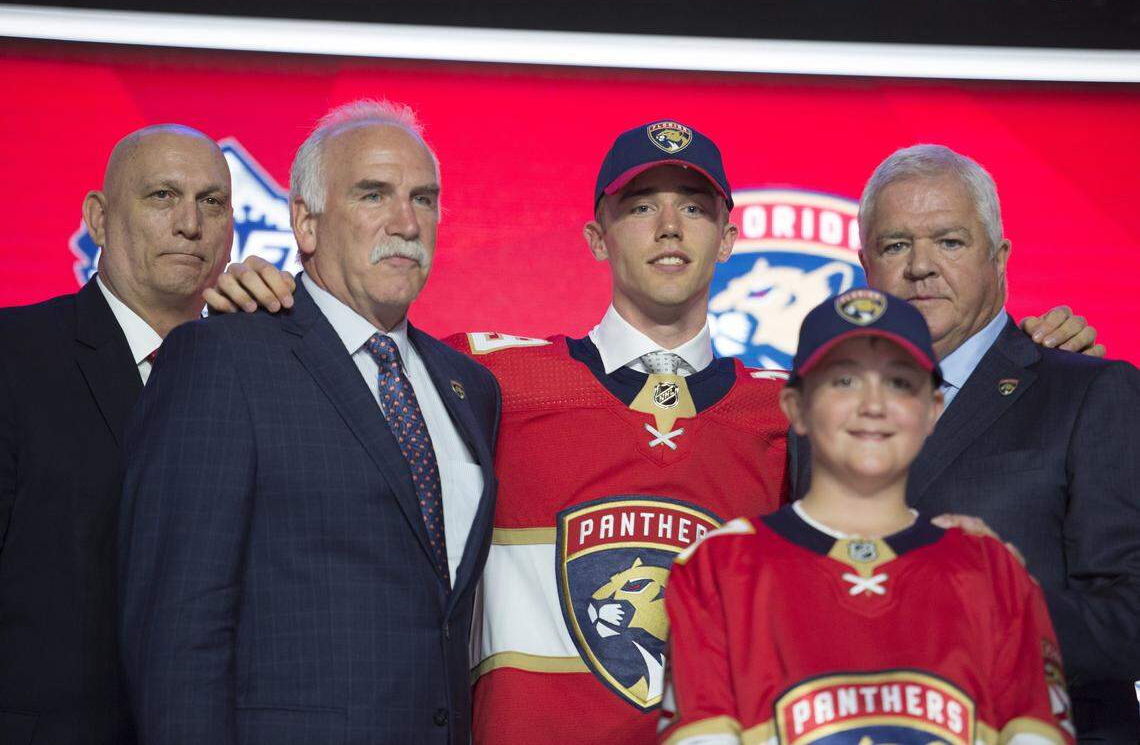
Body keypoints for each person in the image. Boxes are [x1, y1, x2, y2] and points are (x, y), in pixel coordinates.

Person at [211, 122, 1104, 744]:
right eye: (642, 206)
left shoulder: (792, 410)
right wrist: (277, 293)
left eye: (694, 205)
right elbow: (351, 350)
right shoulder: (481, 373)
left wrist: (1033, 345)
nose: (670, 226)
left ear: (730, 235)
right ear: (597, 237)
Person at [117, 100, 500, 745]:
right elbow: (177, 632)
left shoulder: (472, 389)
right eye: (373, 194)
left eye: (424, 199)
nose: (405, 222)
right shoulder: (222, 358)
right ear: (305, 221)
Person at [661, 288, 1075, 745]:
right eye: (844, 380)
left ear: (932, 410)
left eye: (899, 381)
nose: (873, 405)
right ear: (794, 407)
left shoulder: (992, 573)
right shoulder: (720, 568)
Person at [838, 144, 1139, 740]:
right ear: (865, 266)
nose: (921, 266)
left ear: (999, 258)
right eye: (896, 245)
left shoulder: (1088, 391)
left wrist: (1007, 612)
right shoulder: (825, 419)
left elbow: (1131, 615)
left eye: (949, 241)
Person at [0, 125, 233, 745]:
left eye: (212, 202)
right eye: (162, 195)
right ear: (98, 219)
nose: (191, 223)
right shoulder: (15, 355)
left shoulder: (253, 374)